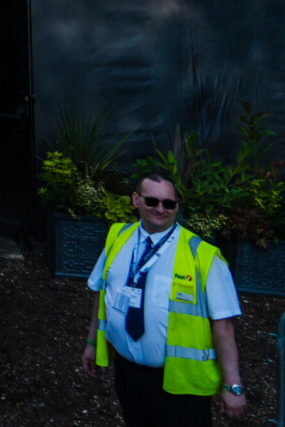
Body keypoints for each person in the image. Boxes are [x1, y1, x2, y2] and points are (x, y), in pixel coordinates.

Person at [81, 171, 247, 423]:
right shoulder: (117, 238)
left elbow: (224, 325)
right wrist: (92, 343)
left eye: (169, 203)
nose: (161, 209)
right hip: (128, 373)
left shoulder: (203, 257)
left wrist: (233, 385)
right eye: (152, 201)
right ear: (135, 200)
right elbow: (102, 295)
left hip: (180, 384)